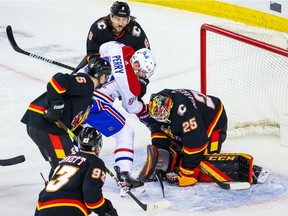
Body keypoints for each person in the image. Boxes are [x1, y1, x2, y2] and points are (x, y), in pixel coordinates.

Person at [83, 41, 156, 190]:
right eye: (143, 73)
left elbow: (103, 47)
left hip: (75, 94)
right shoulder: (131, 85)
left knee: (85, 133)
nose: (143, 77)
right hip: (93, 103)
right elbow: (131, 107)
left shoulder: (120, 49)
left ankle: (72, 167)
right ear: (136, 65)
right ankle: (124, 174)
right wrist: (150, 120)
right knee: (125, 132)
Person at [21, 58, 112, 175]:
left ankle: (53, 189)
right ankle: (58, 192)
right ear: (102, 76)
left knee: (66, 164)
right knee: (68, 167)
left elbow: (74, 123)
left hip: (49, 128)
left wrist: (83, 136)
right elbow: (57, 80)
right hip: (46, 125)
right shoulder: (86, 82)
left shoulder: (88, 97)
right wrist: (56, 105)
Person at [138, 88, 228, 187]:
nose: (161, 120)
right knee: (180, 151)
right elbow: (159, 128)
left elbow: (196, 143)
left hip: (212, 116)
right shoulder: (157, 104)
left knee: (204, 159)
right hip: (192, 112)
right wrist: (161, 151)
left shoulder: (185, 112)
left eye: (163, 117)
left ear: (171, 106)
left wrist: (187, 172)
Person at [34, 127, 118, 216]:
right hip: (67, 208)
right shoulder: (95, 162)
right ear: (98, 146)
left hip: (41, 206)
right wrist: (107, 209)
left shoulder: (64, 159)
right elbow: (91, 198)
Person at [75, 1, 150, 72]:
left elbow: (145, 55)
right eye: (117, 19)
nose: (120, 23)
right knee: (77, 77)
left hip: (126, 65)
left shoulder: (135, 32)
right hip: (103, 61)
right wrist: (99, 65)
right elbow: (92, 52)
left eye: (124, 19)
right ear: (111, 17)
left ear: (128, 20)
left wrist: (137, 69)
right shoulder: (99, 28)